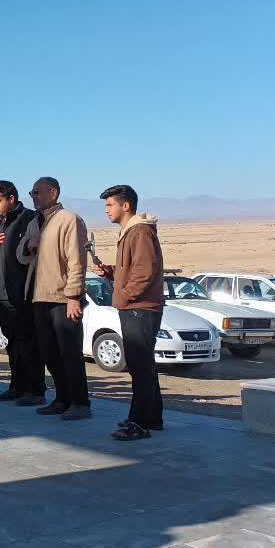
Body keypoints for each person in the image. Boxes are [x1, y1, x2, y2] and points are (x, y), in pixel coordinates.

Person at [94, 185, 164, 440]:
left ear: (125, 206)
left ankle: (139, 423)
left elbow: (145, 272)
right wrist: (114, 272)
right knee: (144, 365)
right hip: (136, 306)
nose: (106, 210)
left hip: (140, 308)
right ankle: (153, 418)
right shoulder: (131, 232)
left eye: (110, 205)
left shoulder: (140, 231)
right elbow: (135, 268)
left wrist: (122, 296)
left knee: (140, 367)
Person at [18, 176, 91, 420]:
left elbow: (77, 261)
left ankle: (80, 404)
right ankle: (61, 399)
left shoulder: (68, 220)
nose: (33, 196)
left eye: (37, 192)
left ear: (54, 193)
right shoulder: (35, 222)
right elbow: (21, 256)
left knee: (69, 353)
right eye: (32, 193)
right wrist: (30, 244)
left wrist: (74, 296)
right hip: (40, 297)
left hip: (63, 298)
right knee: (49, 353)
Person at [0, 180, 44, 406]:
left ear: (12, 199)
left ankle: (35, 390)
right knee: (12, 342)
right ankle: (17, 386)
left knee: (28, 342)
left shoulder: (28, 219)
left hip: (19, 293)